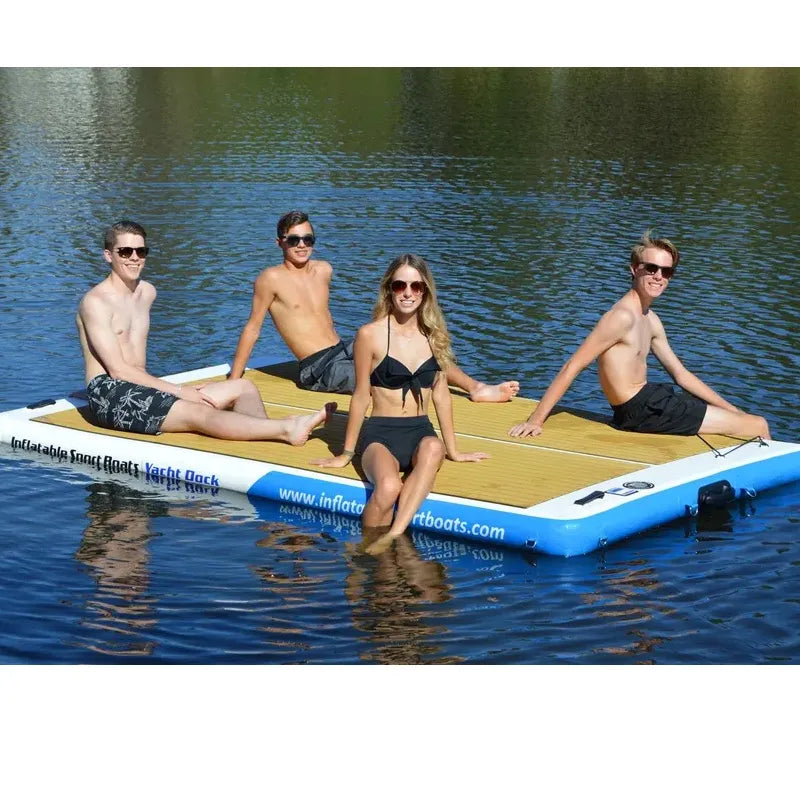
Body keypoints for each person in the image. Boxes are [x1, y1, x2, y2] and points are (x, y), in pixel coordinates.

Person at [77, 220, 335, 444]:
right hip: (109, 394)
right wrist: (180, 391)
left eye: (141, 251)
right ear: (108, 255)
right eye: (125, 251)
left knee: (243, 387)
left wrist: (176, 391)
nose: (134, 258)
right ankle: (287, 428)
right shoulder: (96, 302)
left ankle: (267, 433)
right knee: (199, 413)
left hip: (143, 384)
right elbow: (118, 371)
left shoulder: (147, 292)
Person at [229, 210, 519, 402]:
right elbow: (253, 329)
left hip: (343, 348)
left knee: (415, 345)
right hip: (318, 368)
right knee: (390, 374)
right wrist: (234, 379)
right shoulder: (270, 279)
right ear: (279, 243)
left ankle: (476, 388)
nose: (302, 245)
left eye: (308, 238)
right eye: (294, 240)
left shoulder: (324, 270)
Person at [509, 230, 771, 440]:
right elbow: (573, 365)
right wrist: (536, 420)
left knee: (742, 420)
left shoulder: (650, 319)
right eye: (651, 268)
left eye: (666, 271)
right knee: (758, 425)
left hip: (652, 404)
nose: (658, 276)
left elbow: (681, 375)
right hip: (642, 411)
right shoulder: (621, 316)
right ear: (635, 269)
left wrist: (733, 410)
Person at [313, 254, 489, 554]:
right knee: (389, 487)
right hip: (381, 434)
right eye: (400, 285)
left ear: (425, 291)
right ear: (389, 289)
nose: (408, 293)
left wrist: (455, 450)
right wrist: (346, 453)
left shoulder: (435, 336)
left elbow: (441, 395)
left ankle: (394, 534)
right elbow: (361, 396)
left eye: (416, 286)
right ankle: (365, 555)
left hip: (420, 431)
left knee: (434, 448)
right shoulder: (370, 334)